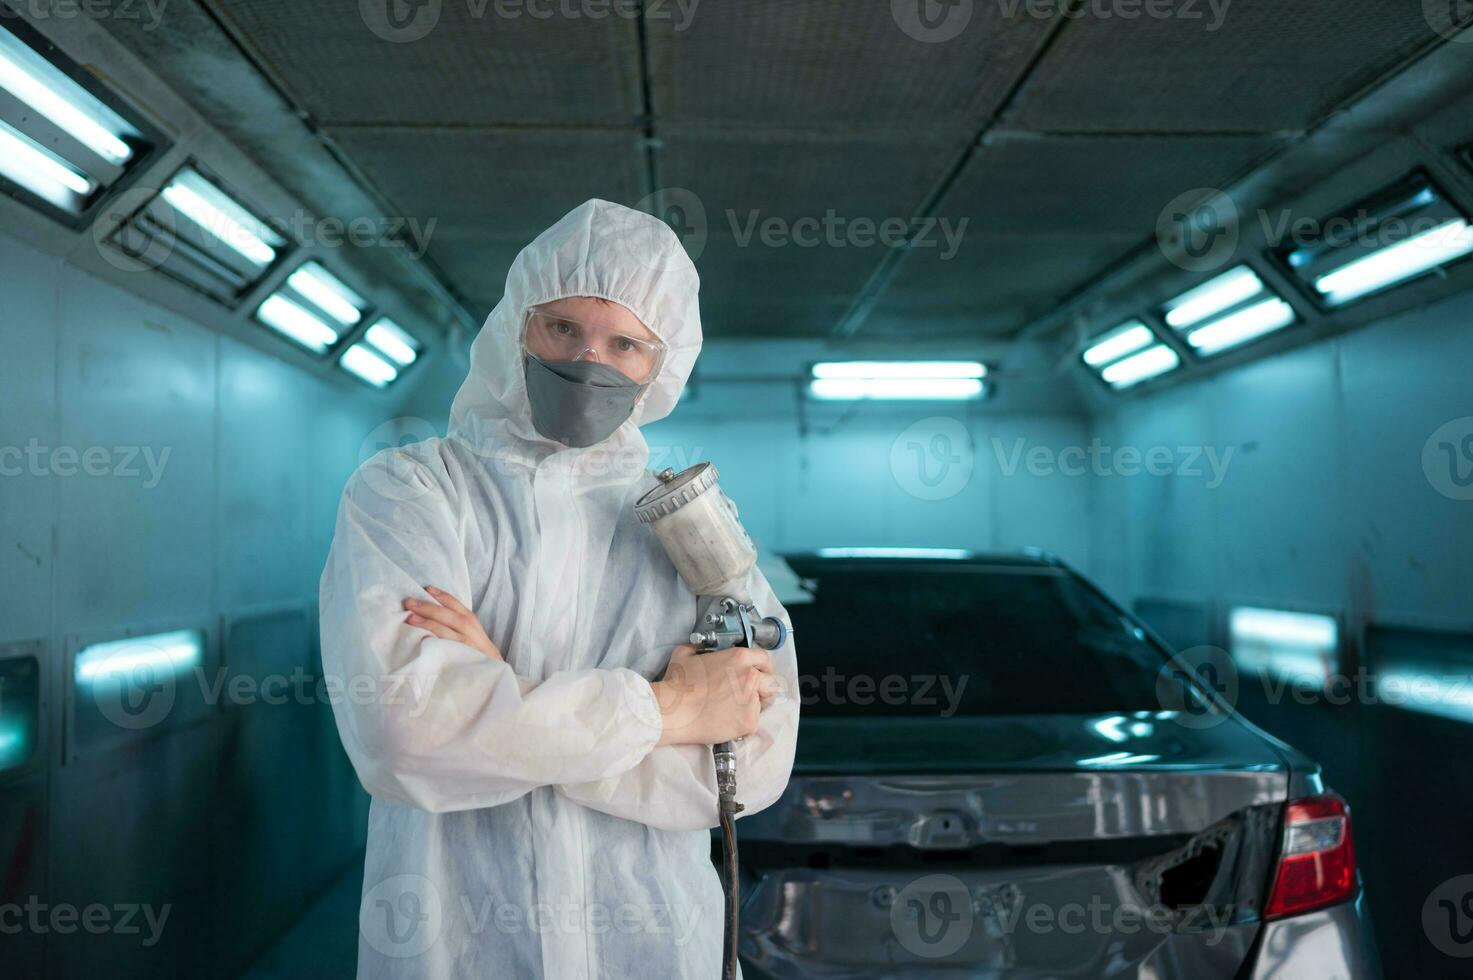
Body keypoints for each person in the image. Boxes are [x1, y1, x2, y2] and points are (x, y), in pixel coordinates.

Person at [319, 198, 800, 978]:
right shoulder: (410, 492)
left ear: (661, 364)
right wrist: (670, 709)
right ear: (518, 326)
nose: (590, 362)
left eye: (626, 344)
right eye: (563, 329)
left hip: (655, 947)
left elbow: (749, 769)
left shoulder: (692, 531)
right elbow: (404, 735)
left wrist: (501, 699)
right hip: (462, 948)